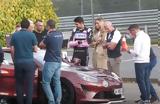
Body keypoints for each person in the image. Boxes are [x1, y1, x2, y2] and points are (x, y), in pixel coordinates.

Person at [10, 18, 38, 104]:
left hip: (18, 62)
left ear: (21, 25)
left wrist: (14, 60)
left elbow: (12, 49)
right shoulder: (31, 35)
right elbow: (36, 49)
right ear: (28, 26)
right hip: (29, 62)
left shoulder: (14, 35)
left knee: (19, 84)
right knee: (29, 85)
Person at [39, 19, 63, 104]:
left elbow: (41, 45)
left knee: (45, 82)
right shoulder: (60, 34)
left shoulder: (49, 35)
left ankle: (51, 101)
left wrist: (46, 36)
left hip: (50, 61)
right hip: (58, 61)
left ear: (48, 26)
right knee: (57, 82)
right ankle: (58, 101)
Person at [127, 24, 151, 104]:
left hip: (140, 62)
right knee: (146, 80)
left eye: (131, 32)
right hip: (146, 60)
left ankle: (145, 99)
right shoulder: (146, 36)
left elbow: (136, 52)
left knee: (140, 81)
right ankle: (146, 97)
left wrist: (128, 50)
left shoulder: (138, 38)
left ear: (134, 30)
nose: (130, 34)